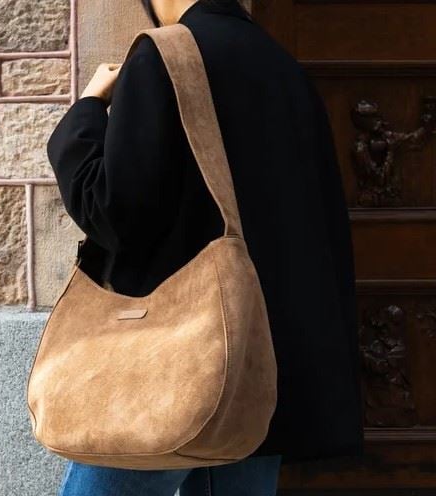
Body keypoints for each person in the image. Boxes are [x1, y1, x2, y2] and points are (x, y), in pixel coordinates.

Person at [46, 0, 364, 494]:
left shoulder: (165, 56)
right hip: (263, 371)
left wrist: (85, 113)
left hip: (173, 367)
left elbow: (112, 210)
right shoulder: (282, 65)